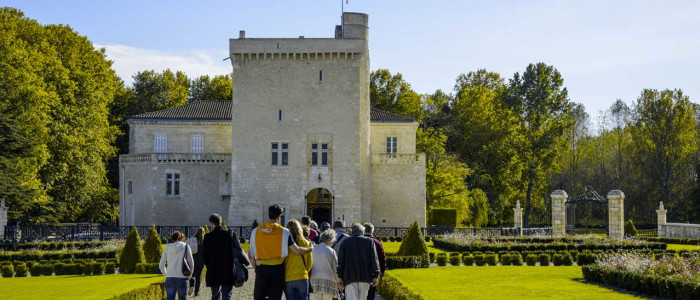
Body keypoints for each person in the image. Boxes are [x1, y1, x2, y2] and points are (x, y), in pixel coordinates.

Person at [249, 205, 314, 300]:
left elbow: (250, 255)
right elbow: (297, 250)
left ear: (269, 215)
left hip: (262, 270)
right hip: (277, 271)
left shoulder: (256, 231)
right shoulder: (284, 232)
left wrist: (256, 268)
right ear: (279, 217)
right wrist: (310, 248)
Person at [201, 213, 250, 300]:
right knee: (227, 295)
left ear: (212, 223)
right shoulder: (230, 234)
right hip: (228, 270)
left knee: (215, 295)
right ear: (220, 222)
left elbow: (204, 255)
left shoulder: (208, 237)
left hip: (213, 270)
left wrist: (209, 266)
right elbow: (237, 249)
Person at [337, 223, 379, 300]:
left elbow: (341, 262)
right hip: (365, 277)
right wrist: (376, 275)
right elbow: (374, 259)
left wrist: (340, 277)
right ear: (363, 232)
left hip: (350, 277)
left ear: (352, 232)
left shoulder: (345, 242)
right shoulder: (369, 241)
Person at [159, 231, 195, 300]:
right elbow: (191, 264)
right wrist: (189, 276)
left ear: (173, 238)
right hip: (182, 277)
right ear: (182, 238)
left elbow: (161, 265)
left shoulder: (167, 247)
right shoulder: (186, 247)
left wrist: (166, 273)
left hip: (170, 277)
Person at [284, 219, 313, 300]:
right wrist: (304, 271)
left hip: (288, 277)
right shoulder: (306, 243)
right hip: (302, 276)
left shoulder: (285, 244)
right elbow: (309, 264)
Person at [309, 229, 340, 300]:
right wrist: (338, 282)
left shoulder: (312, 249)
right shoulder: (331, 251)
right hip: (329, 282)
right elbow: (336, 269)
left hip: (314, 281)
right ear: (329, 240)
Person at [363, 223, 386, 300]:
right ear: (372, 231)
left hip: (360, 271)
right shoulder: (377, 242)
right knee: (371, 294)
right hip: (373, 272)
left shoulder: (359, 241)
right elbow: (382, 257)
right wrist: (382, 271)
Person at [186, 227, 206, 297]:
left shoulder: (193, 239)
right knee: (198, 277)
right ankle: (196, 293)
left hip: (192, 259)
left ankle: (191, 284)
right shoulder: (204, 241)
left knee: (190, 274)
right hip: (201, 261)